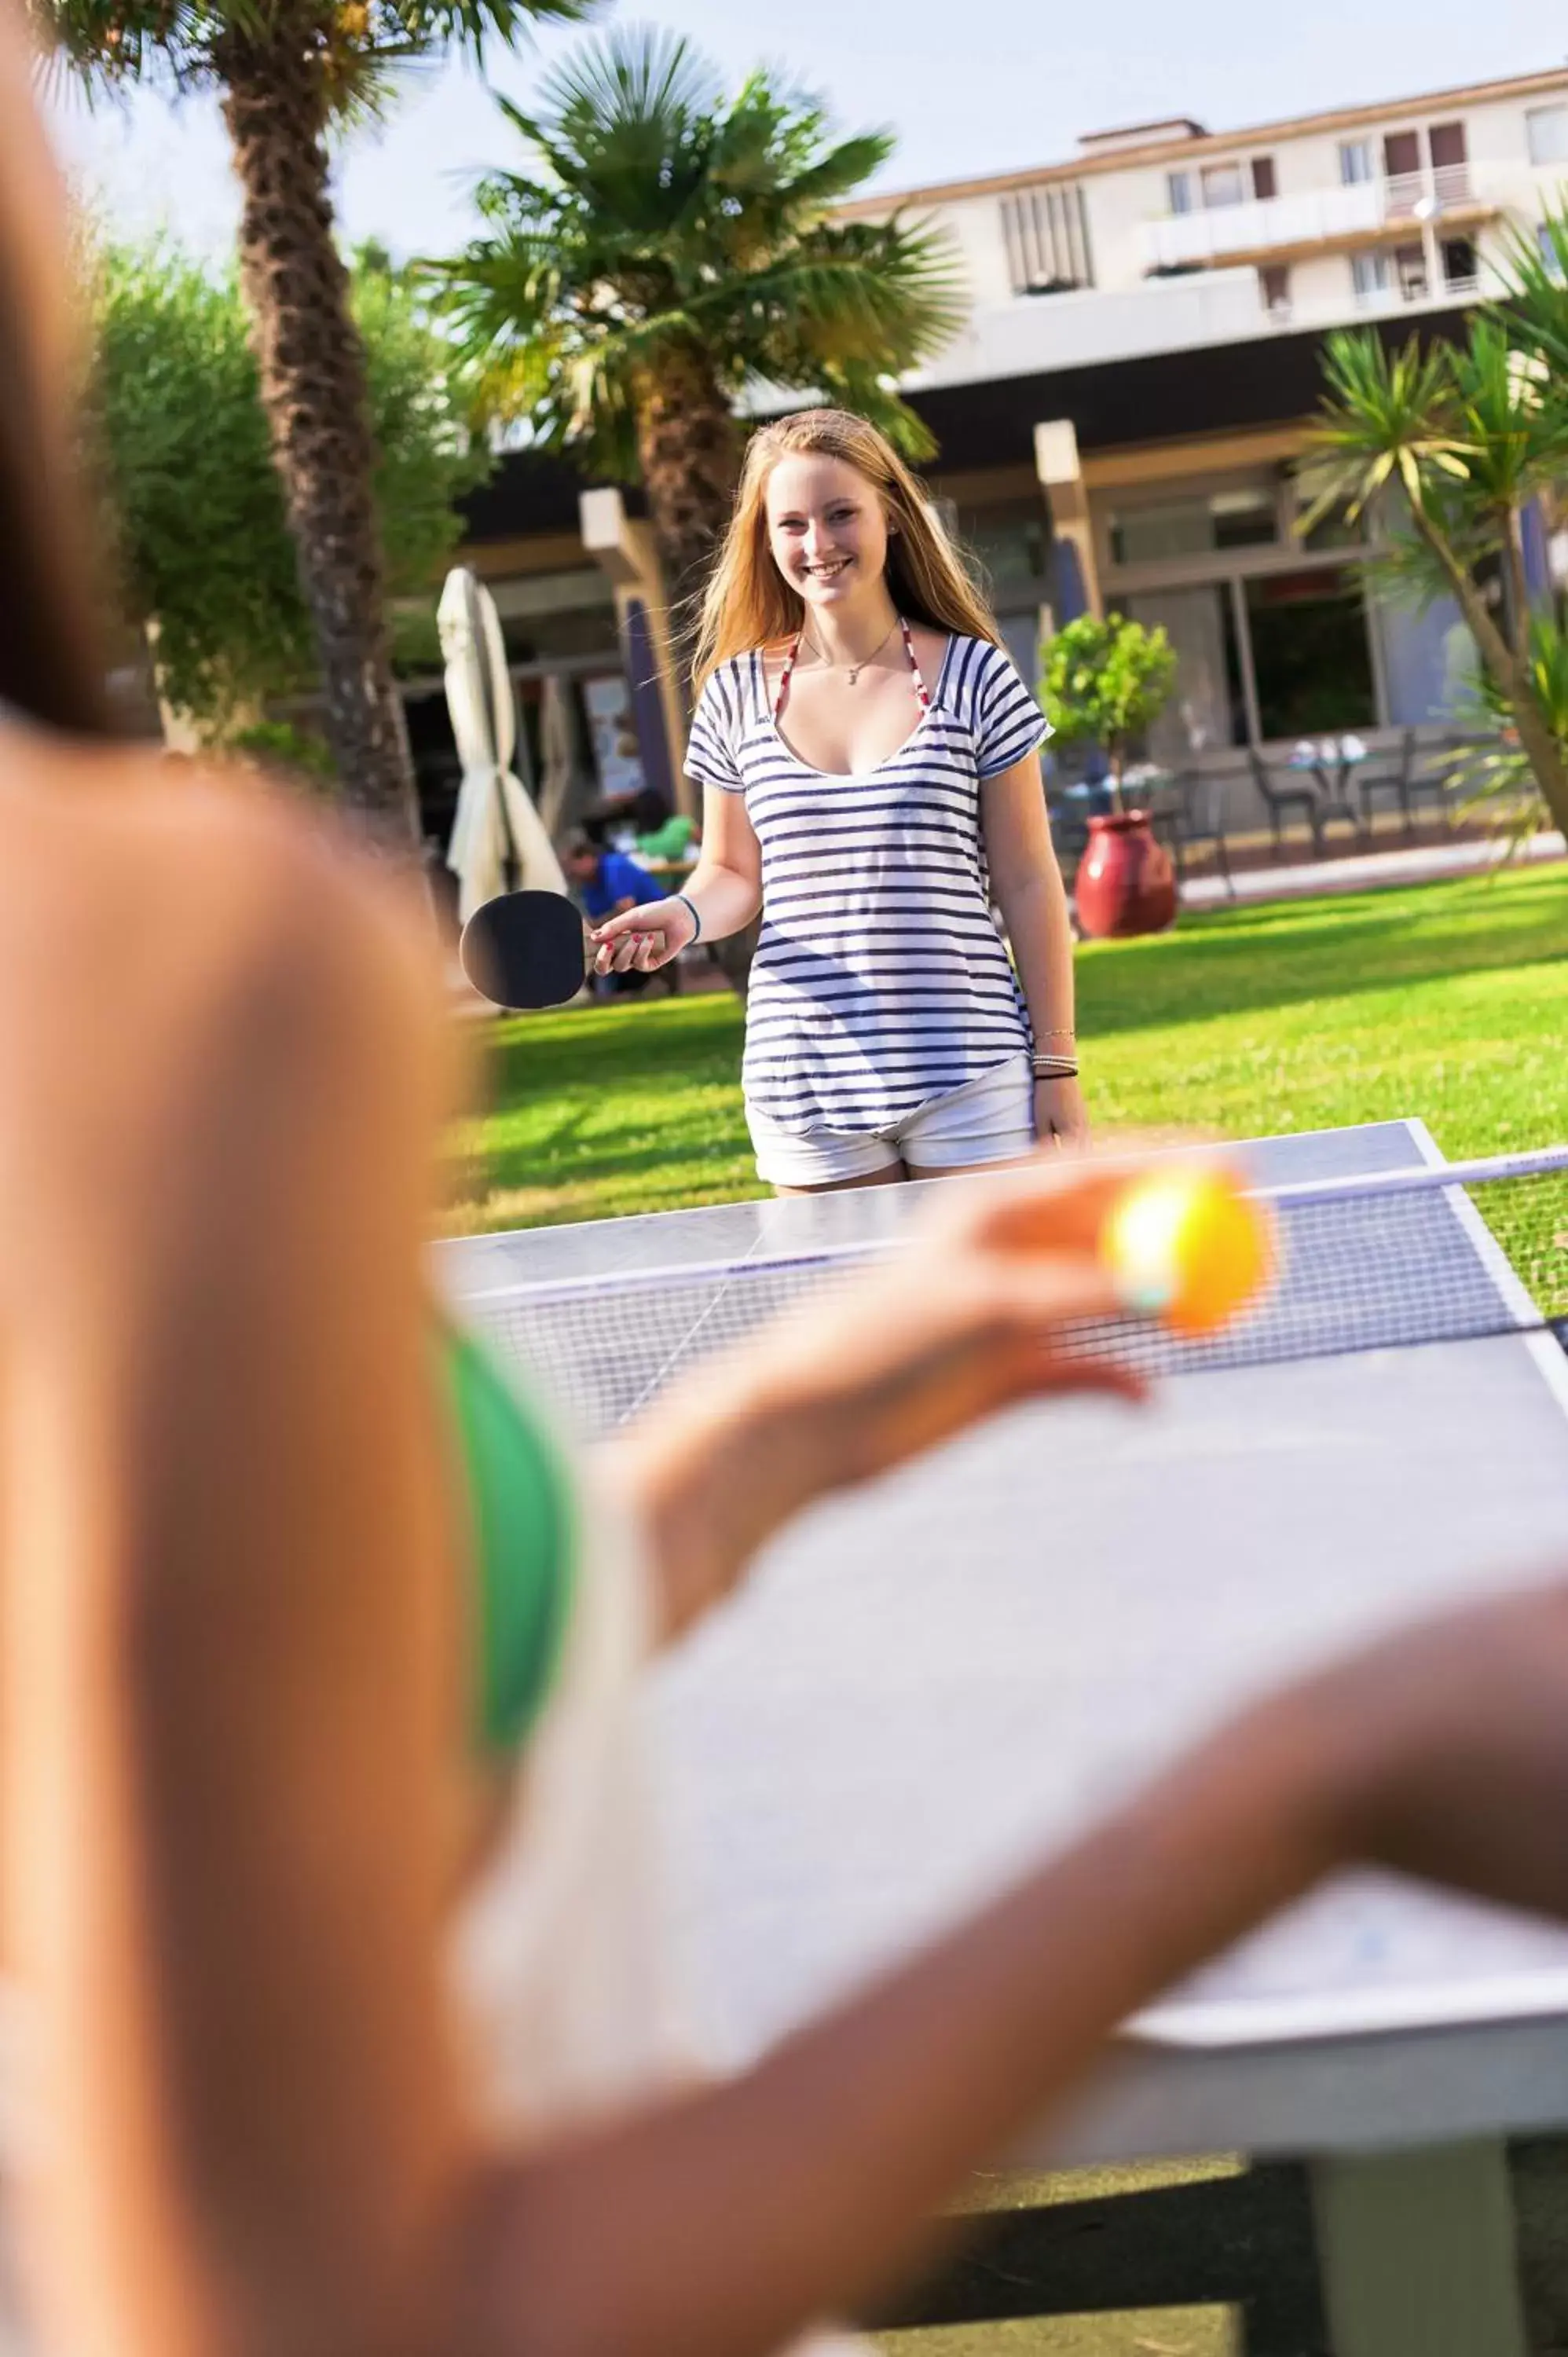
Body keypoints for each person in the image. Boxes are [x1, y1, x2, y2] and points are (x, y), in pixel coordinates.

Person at [9, 28, 1568, 2357]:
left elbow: (318, 1766)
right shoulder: (173, 981)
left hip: (947, 1093)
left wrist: (771, 1432)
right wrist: (1274, 1793)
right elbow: (330, 2297)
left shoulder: (959, 684)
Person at [590, 409, 1088, 1193]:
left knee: (984, 1320)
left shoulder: (977, 677)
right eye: (790, 524)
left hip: (971, 1074)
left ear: (889, 512)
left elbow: (1028, 880)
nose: (817, 545)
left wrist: (1055, 1062)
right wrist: (680, 917)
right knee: (859, 1319)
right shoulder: (734, 694)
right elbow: (730, 874)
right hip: (803, 1086)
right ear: (765, 539)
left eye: (840, 514)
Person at [562, 830, 681, 998]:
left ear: (587, 858)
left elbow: (625, 907)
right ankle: (606, 994)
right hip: (626, 931)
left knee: (600, 947)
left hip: (653, 925)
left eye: (572, 864)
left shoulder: (614, 866)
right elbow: (599, 919)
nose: (570, 871)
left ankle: (608, 996)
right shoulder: (589, 883)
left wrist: (594, 926)